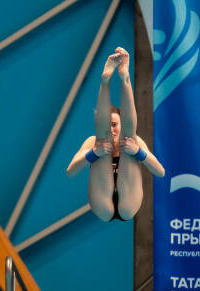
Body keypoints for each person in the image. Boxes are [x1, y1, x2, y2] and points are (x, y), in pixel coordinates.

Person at [67, 47, 164, 222]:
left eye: (114, 124)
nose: (112, 129)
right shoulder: (92, 142)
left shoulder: (135, 142)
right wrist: (93, 154)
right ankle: (105, 80)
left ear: (120, 122)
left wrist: (138, 153)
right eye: (109, 124)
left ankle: (124, 78)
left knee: (129, 139)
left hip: (129, 201)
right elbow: (71, 171)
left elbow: (160, 172)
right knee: (101, 142)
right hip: (102, 201)